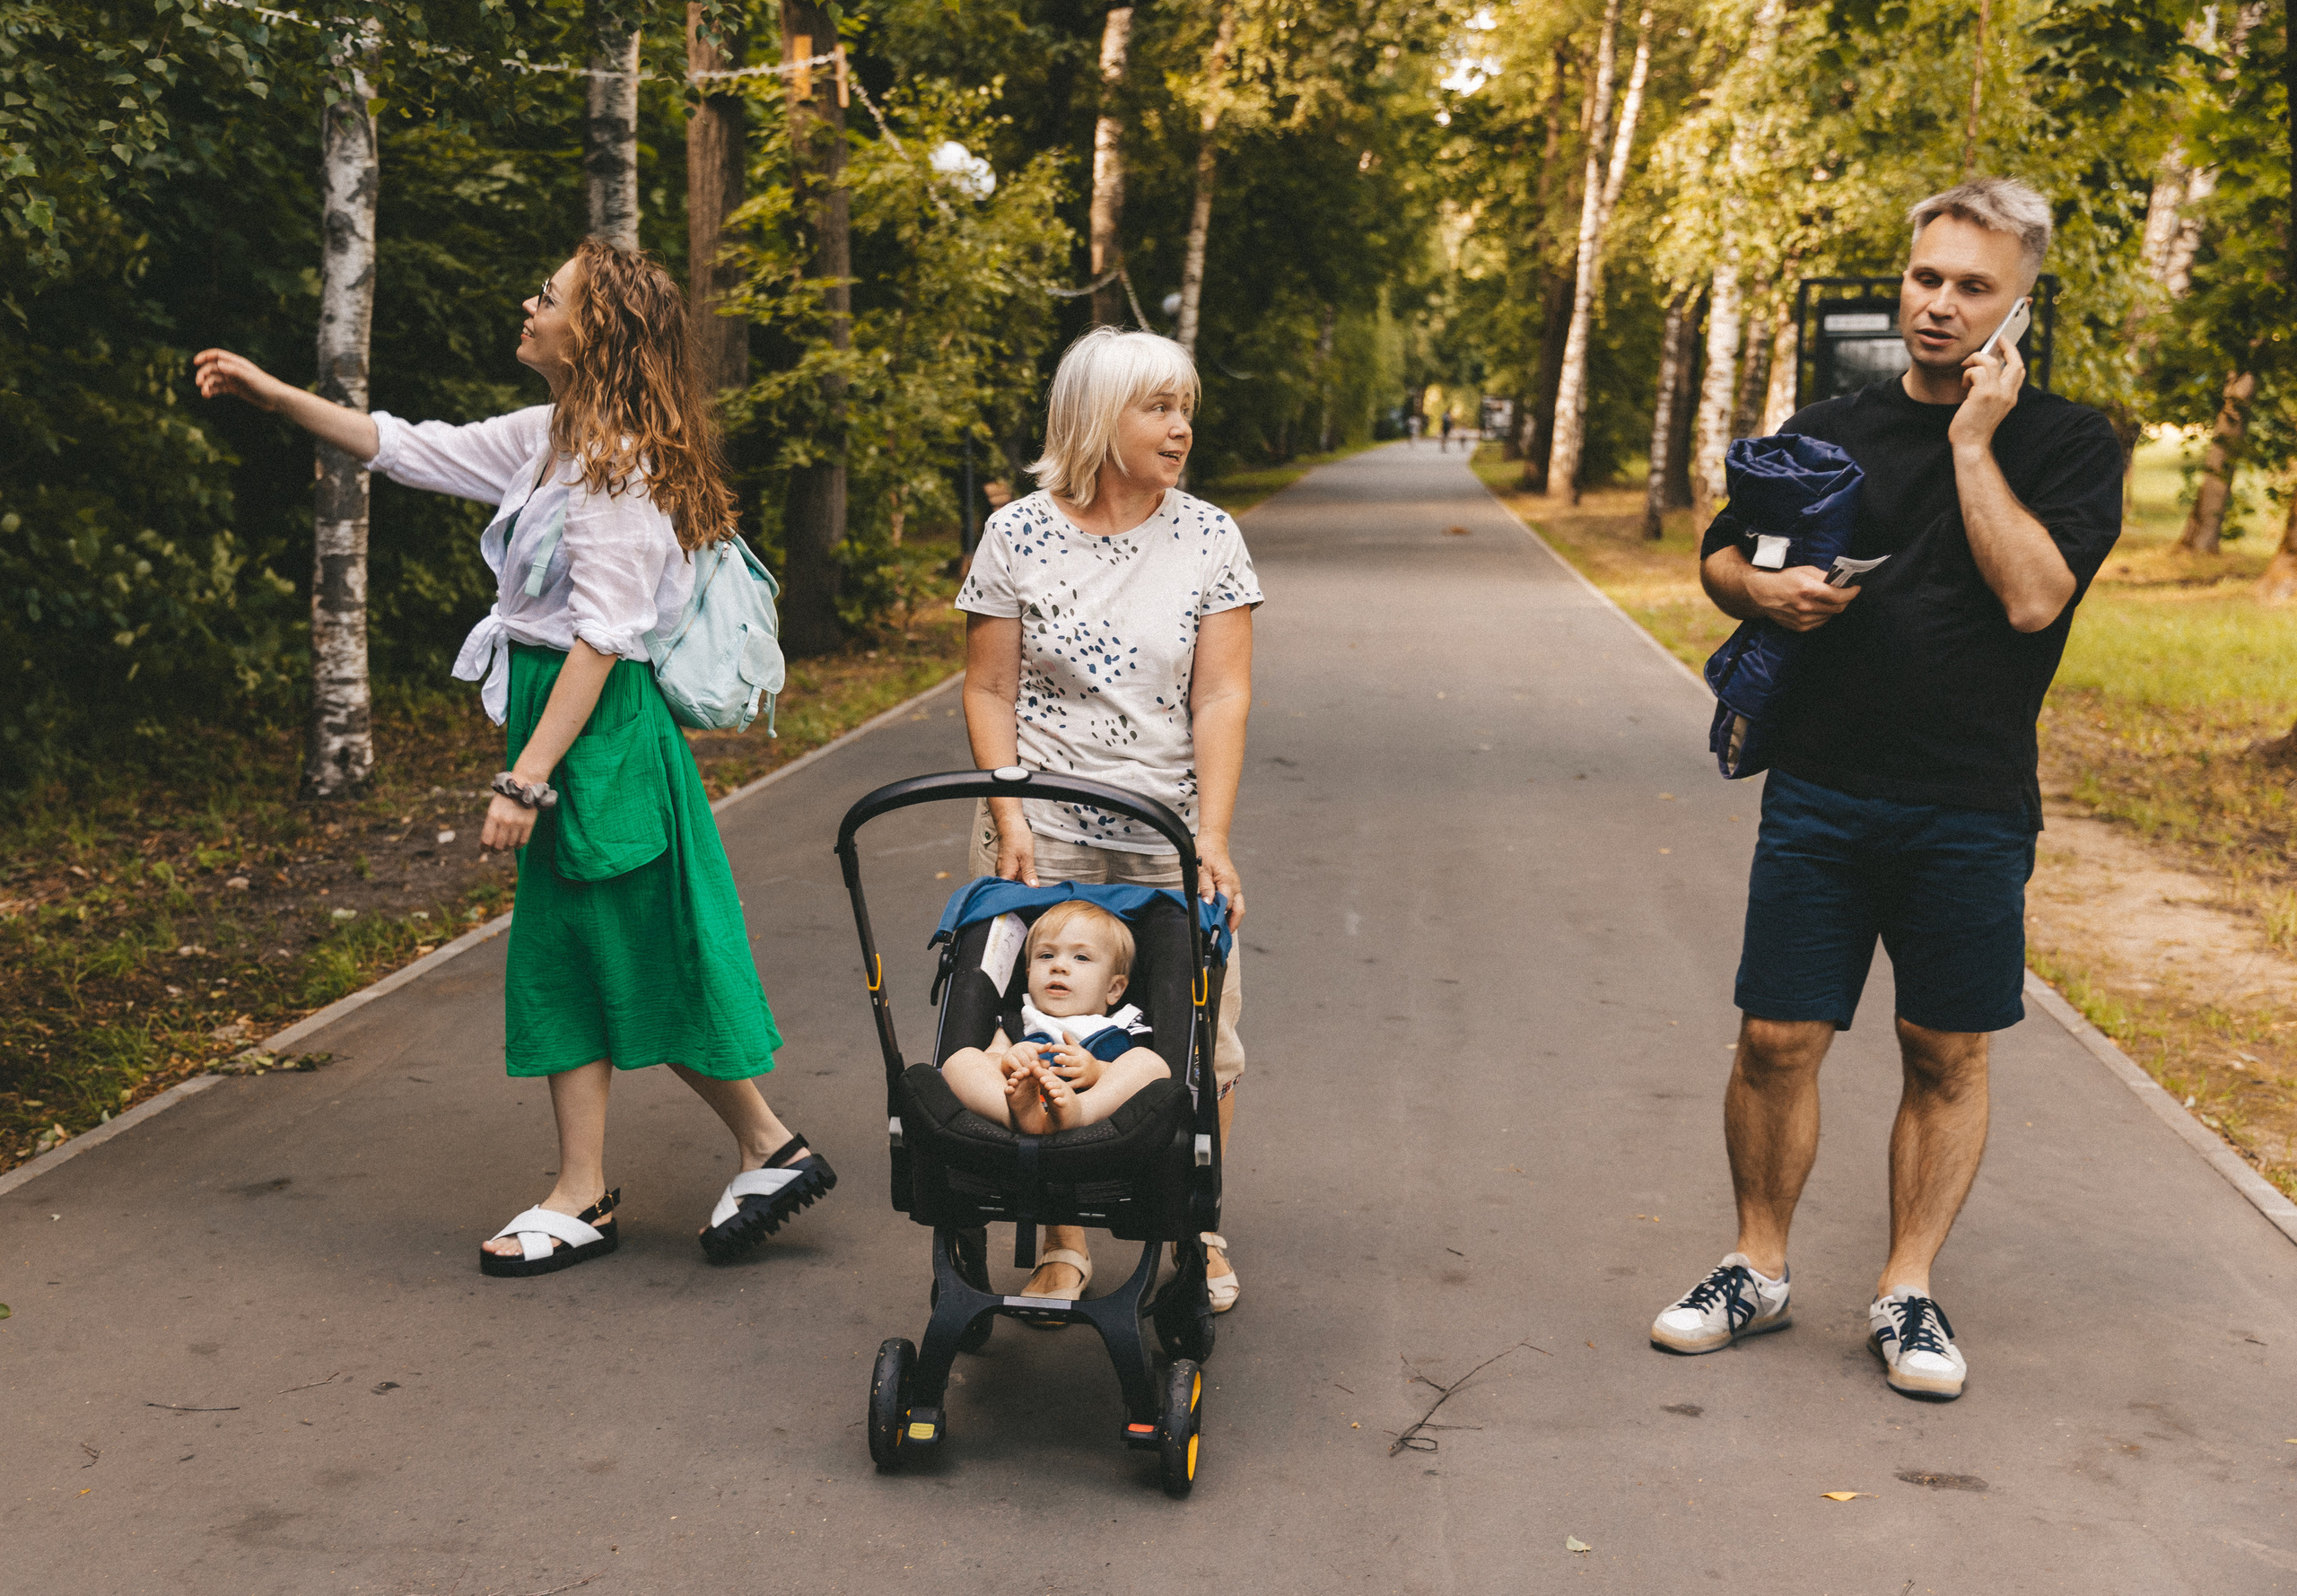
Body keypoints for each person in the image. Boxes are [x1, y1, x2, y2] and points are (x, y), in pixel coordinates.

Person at [194, 240, 834, 1278]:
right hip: (568, 724)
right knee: (579, 954)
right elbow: (399, 445)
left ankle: (722, 1156)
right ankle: (703, 1162)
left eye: (550, 296)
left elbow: (601, 637)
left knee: (622, 949)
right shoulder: (549, 438)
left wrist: (526, 777)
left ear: (597, 334)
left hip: (600, 735)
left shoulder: (620, 465)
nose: (529, 305)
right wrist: (274, 394)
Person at [1650, 177, 2122, 1400]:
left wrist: (1971, 439)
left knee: (1944, 1047)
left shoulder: (2068, 444)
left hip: (1967, 798)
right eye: (1927, 277)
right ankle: (1755, 1265)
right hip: (1821, 782)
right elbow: (1721, 547)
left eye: (1974, 286)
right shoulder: (1829, 424)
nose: (1941, 305)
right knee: (1775, 1037)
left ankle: (1907, 1287)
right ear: (1901, 276)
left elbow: (2031, 595)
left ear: (2020, 301)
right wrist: (1759, 593)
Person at [957, 325, 1259, 1314]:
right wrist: (1007, 816)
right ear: (1097, 415)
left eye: (1186, 410)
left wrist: (1210, 835)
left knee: (1196, 1042)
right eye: (1158, 408)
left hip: (1167, 828)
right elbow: (988, 689)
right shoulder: (1016, 534)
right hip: (1039, 827)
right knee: (1035, 1023)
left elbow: (1220, 699)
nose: (1180, 429)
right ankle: (1062, 1240)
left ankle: (1195, 1223)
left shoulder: (1209, 536)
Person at [941, 901, 1170, 1133]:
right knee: (961, 1060)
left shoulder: (1123, 1024)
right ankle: (1014, 1114)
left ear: (1113, 989)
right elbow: (990, 1058)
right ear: (1028, 975)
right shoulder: (1021, 1019)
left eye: (1081, 957)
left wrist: (1097, 1071)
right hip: (1020, 1098)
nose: (1058, 966)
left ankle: (1079, 1111)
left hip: (1095, 1110)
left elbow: (1131, 1074)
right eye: (1046, 955)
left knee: (1150, 1063)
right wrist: (1006, 1060)